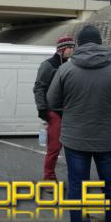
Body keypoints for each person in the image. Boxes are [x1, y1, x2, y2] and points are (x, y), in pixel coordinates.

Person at [47, 25, 111, 222]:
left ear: (78, 44)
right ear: (101, 43)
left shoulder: (66, 69)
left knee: (77, 188)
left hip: (75, 139)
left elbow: (52, 101)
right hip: (109, 138)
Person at [33, 36, 75, 181]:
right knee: (54, 148)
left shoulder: (71, 66)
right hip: (53, 112)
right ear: (62, 49)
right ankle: (49, 177)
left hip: (69, 112)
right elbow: (39, 88)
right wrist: (42, 109)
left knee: (72, 147)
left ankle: (74, 176)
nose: (72, 50)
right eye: (70, 47)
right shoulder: (48, 65)